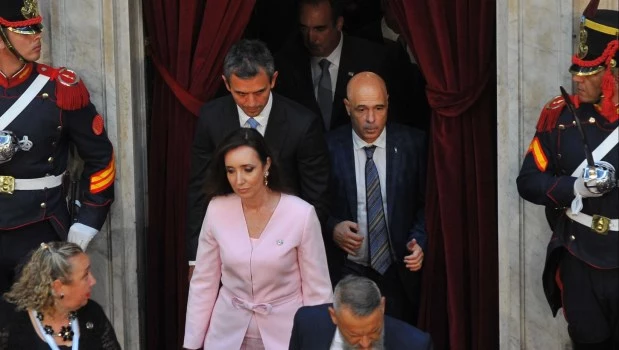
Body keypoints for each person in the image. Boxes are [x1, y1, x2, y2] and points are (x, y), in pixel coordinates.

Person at [517, 3, 619, 349]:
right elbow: (528, 181)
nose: (577, 78)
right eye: (578, 68)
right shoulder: (558, 116)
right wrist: (574, 186)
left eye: (590, 71)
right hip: (579, 257)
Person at [186, 39, 330, 278]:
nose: (251, 103)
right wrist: (195, 257)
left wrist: (291, 249)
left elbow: (317, 198)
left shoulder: (302, 124)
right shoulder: (210, 119)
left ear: (273, 80)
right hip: (225, 246)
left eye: (260, 92)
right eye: (241, 93)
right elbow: (200, 190)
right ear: (226, 84)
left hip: (285, 251)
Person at [0, 0, 115, 294]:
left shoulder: (60, 89)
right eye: (24, 30)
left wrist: (87, 222)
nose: (37, 35)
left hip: (40, 229)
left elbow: (101, 158)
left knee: (43, 327)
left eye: (37, 27)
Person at [183, 128, 333, 350]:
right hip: (226, 334)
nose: (239, 180)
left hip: (287, 334)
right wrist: (192, 343)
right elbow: (204, 282)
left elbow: (317, 290)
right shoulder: (216, 209)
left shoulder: (301, 214)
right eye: (231, 171)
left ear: (267, 165)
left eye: (248, 169)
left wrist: (318, 342)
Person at [325, 71, 426, 325]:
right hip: (349, 271)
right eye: (361, 109)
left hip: (398, 270)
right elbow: (312, 205)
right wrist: (332, 227)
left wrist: (421, 240)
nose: (371, 119)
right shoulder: (328, 147)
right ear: (347, 108)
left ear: (388, 104)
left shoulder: (413, 144)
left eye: (379, 108)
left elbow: (428, 204)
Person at [274, 0, 391, 131]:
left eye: (320, 29)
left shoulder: (372, 59)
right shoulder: (286, 63)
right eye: (304, 28)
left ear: (339, 23)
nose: (311, 38)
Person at [0, 241, 121, 349]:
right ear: (58, 287)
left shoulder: (92, 314)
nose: (93, 281)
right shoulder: (9, 321)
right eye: (85, 276)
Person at [289, 275, 433, 350]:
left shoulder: (415, 344)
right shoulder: (307, 324)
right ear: (334, 316)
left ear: (382, 306)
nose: (365, 344)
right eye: (354, 335)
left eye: (374, 331)